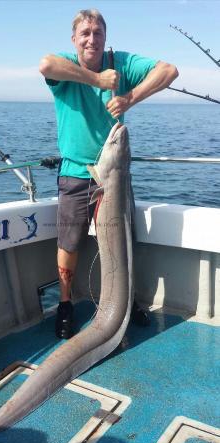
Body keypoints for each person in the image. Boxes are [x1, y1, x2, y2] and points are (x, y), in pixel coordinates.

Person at [39, 9, 178, 339]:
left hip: (115, 174)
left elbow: (169, 71)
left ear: (105, 37)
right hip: (76, 172)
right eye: (85, 33)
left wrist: (130, 97)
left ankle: (126, 302)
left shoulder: (121, 62)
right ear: (74, 39)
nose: (91, 38)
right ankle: (66, 305)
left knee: (123, 243)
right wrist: (97, 80)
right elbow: (46, 65)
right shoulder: (65, 65)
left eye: (97, 32)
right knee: (70, 242)